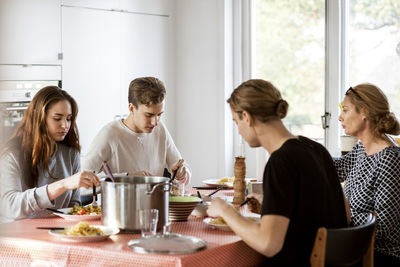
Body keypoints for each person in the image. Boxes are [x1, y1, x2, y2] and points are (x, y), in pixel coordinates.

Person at [207, 79, 348, 266]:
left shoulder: (280, 162)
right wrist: (273, 207)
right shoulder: (316, 149)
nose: (239, 131)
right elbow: (343, 215)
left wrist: (226, 211)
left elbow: (268, 244)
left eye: (236, 122)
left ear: (247, 117)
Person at [0, 86, 100, 223]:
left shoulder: (71, 153)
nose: (65, 125)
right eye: (57, 118)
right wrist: (61, 185)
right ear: (39, 116)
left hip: (57, 234)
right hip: (18, 236)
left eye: (68, 118)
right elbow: (9, 206)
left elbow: (73, 205)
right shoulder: (12, 154)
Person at [335, 83, 400, 266]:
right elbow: (337, 169)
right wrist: (308, 154)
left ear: (364, 112)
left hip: (381, 255)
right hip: (356, 247)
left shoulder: (389, 158)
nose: (340, 117)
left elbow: (383, 226)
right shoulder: (362, 148)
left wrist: (344, 216)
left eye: (345, 110)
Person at [83, 77, 191, 184]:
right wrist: (127, 178)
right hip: (120, 201)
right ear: (131, 108)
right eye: (149, 115)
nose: (155, 122)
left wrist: (181, 173)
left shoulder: (160, 129)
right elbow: (82, 181)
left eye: (159, 115)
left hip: (154, 200)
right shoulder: (109, 134)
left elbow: (182, 168)